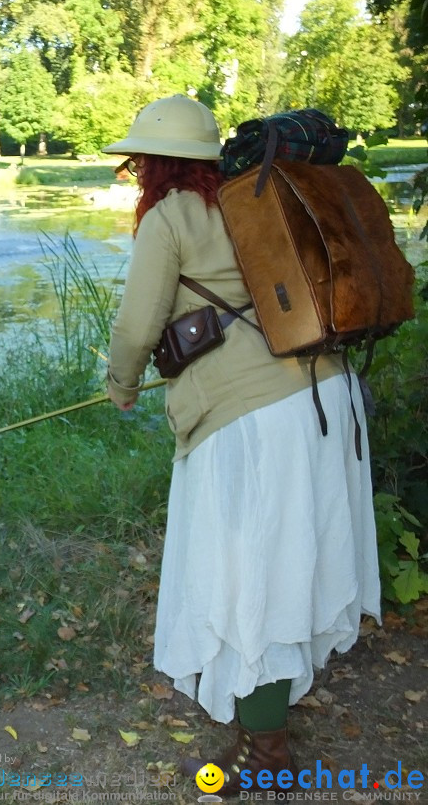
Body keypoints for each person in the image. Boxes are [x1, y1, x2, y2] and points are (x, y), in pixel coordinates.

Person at [101, 96, 380, 792]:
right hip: (326, 397)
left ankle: (268, 750)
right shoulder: (262, 197)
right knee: (293, 564)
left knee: (252, 575)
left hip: (250, 422)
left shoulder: (174, 217)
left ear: (156, 164)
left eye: (139, 160)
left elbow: (138, 327)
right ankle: (268, 714)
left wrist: (121, 383)